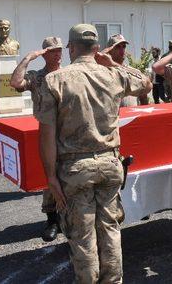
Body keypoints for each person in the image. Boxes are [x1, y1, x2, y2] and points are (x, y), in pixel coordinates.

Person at [38, 24, 151, 283]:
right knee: (110, 230)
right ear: (97, 48)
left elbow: (46, 134)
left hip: (75, 168)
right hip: (110, 163)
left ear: (72, 48)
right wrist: (113, 63)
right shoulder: (112, 75)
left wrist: (50, 178)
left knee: (83, 235)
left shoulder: (55, 80)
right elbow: (145, 83)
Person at [10, 36, 63, 242]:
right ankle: (52, 220)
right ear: (44, 54)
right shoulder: (37, 77)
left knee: (71, 174)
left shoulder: (70, 74)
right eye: (52, 51)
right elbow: (15, 83)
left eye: (59, 50)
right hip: (47, 132)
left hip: (70, 132)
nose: (57, 54)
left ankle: (69, 217)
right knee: (50, 178)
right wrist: (27, 59)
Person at [105, 34, 149, 107]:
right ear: (110, 50)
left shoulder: (134, 72)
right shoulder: (104, 72)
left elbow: (143, 97)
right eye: (118, 47)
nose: (122, 50)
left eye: (124, 46)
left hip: (132, 116)